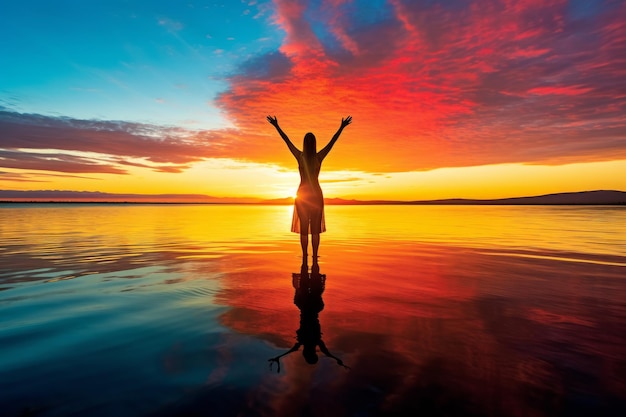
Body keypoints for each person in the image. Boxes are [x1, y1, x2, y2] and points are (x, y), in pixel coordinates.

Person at [267, 115, 352, 267]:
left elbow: (286, 141)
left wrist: (277, 126)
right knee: (315, 230)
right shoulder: (319, 157)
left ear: (305, 144)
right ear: (314, 144)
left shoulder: (300, 156)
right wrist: (341, 127)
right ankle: (313, 258)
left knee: (305, 229)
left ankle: (305, 257)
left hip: (302, 196)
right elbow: (332, 142)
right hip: (316, 196)